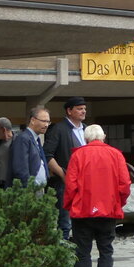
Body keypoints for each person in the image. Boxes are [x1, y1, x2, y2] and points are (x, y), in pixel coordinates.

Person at [64, 123, 131, 267]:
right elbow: (124, 185)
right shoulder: (116, 154)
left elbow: (70, 186)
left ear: (85, 138)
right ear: (103, 136)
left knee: (82, 252)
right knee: (106, 251)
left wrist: (69, 206)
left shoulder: (77, 155)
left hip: (82, 212)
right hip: (108, 212)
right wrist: (118, 203)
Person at [45, 96, 88, 240]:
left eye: (84, 109)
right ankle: (62, 255)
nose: (83, 111)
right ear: (69, 111)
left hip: (85, 183)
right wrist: (64, 176)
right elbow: (47, 155)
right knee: (65, 222)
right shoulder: (58, 129)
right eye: (79, 109)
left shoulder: (87, 130)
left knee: (83, 220)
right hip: (64, 183)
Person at [10, 107, 50, 186]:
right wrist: (28, 189)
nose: (46, 125)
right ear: (33, 120)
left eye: (48, 122)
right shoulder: (23, 138)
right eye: (43, 121)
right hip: (29, 191)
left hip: (38, 190)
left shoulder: (36, 139)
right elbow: (21, 169)